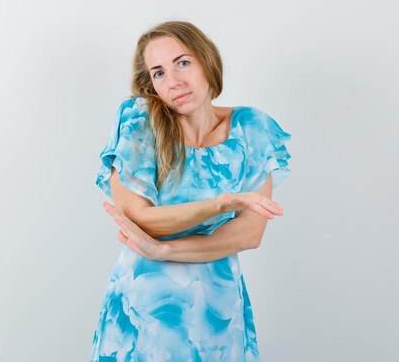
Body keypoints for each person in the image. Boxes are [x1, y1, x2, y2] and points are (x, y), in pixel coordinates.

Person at [89, 21, 292, 362]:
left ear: (206, 60)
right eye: (158, 73)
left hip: (217, 312)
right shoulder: (140, 122)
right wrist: (219, 205)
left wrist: (164, 251)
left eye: (182, 63)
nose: (174, 81)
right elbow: (140, 219)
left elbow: (249, 233)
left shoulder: (252, 128)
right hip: (144, 312)